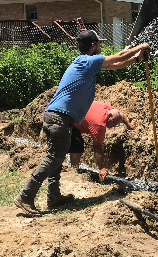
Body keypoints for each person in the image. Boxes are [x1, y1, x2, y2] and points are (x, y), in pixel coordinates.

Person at [14, 30, 150, 215]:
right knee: (53, 158)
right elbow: (118, 56)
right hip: (59, 118)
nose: (101, 47)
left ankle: (54, 197)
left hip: (58, 117)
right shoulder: (87, 61)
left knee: (57, 157)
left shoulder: (86, 64)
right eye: (99, 44)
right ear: (93, 45)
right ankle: (25, 196)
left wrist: (137, 59)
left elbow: (115, 65)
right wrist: (141, 46)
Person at [69, 101, 135, 182]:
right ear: (110, 118)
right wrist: (101, 168)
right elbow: (97, 147)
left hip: (77, 109)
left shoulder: (108, 110)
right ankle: (74, 171)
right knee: (77, 145)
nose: (112, 127)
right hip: (70, 118)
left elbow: (121, 115)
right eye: (113, 124)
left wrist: (128, 125)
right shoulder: (99, 124)